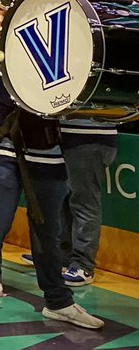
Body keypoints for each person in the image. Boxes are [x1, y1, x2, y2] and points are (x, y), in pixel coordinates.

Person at [0, 0, 103, 332]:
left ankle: (58, 302)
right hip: (0, 144)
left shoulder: (47, 46)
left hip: (45, 147)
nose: (1, 20)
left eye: (8, 13)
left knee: (48, 230)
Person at [59, 113, 118, 287]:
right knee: (62, 198)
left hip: (90, 135)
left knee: (84, 202)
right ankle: (63, 256)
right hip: (63, 132)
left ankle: (83, 265)